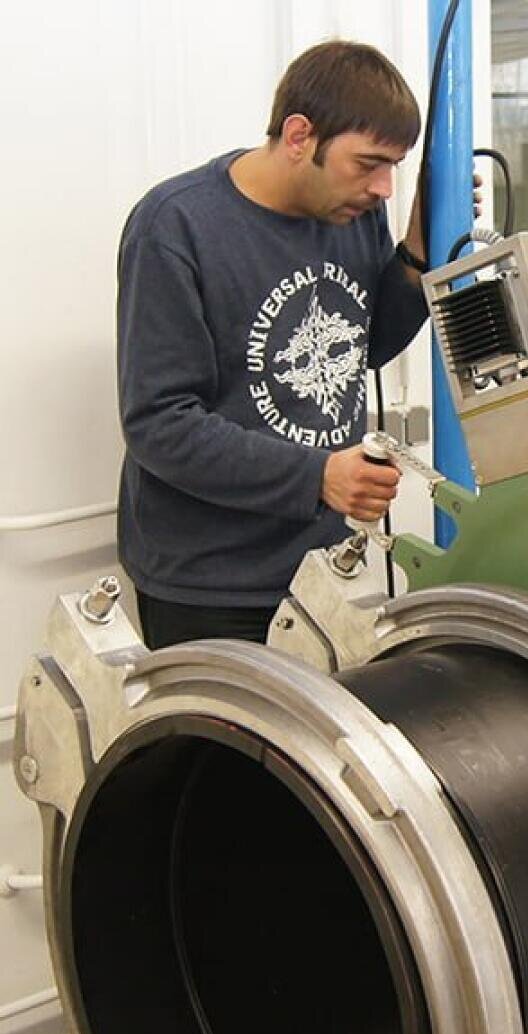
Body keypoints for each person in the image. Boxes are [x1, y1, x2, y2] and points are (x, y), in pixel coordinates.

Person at [117, 40, 436, 649]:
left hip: (322, 563)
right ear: (298, 136)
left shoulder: (352, 214)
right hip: (211, 583)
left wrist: (416, 256)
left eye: (394, 166)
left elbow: (362, 348)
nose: (383, 188)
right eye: (368, 164)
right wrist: (318, 476)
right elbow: (160, 423)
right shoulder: (175, 226)